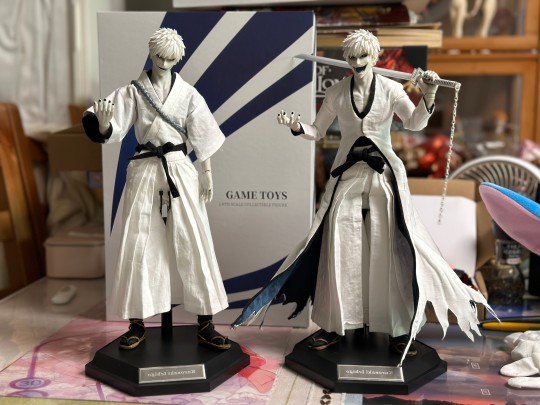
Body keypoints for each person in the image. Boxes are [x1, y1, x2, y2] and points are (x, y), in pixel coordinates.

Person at [233, 29, 494, 364]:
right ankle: (334, 326)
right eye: (352, 57)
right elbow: (318, 130)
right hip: (348, 174)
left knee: (389, 248)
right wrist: (297, 127)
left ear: (374, 56)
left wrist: (428, 93)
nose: (357, 62)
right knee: (339, 248)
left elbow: (414, 123)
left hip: (383, 175)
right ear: (346, 59)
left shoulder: (391, 89)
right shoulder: (337, 92)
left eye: (363, 56)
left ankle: (397, 328)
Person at [82, 28, 230, 351]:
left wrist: (206, 172)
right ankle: (136, 323)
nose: (164, 62)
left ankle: (206, 322)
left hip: (179, 166)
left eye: (171, 58)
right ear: (151, 53)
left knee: (194, 239)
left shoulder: (188, 94)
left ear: (178, 59)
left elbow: (202, 135)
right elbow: (111, 122)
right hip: (145, 166)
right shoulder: (134, 92)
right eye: (160, 56)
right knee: (138, 241)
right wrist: (105, 125)